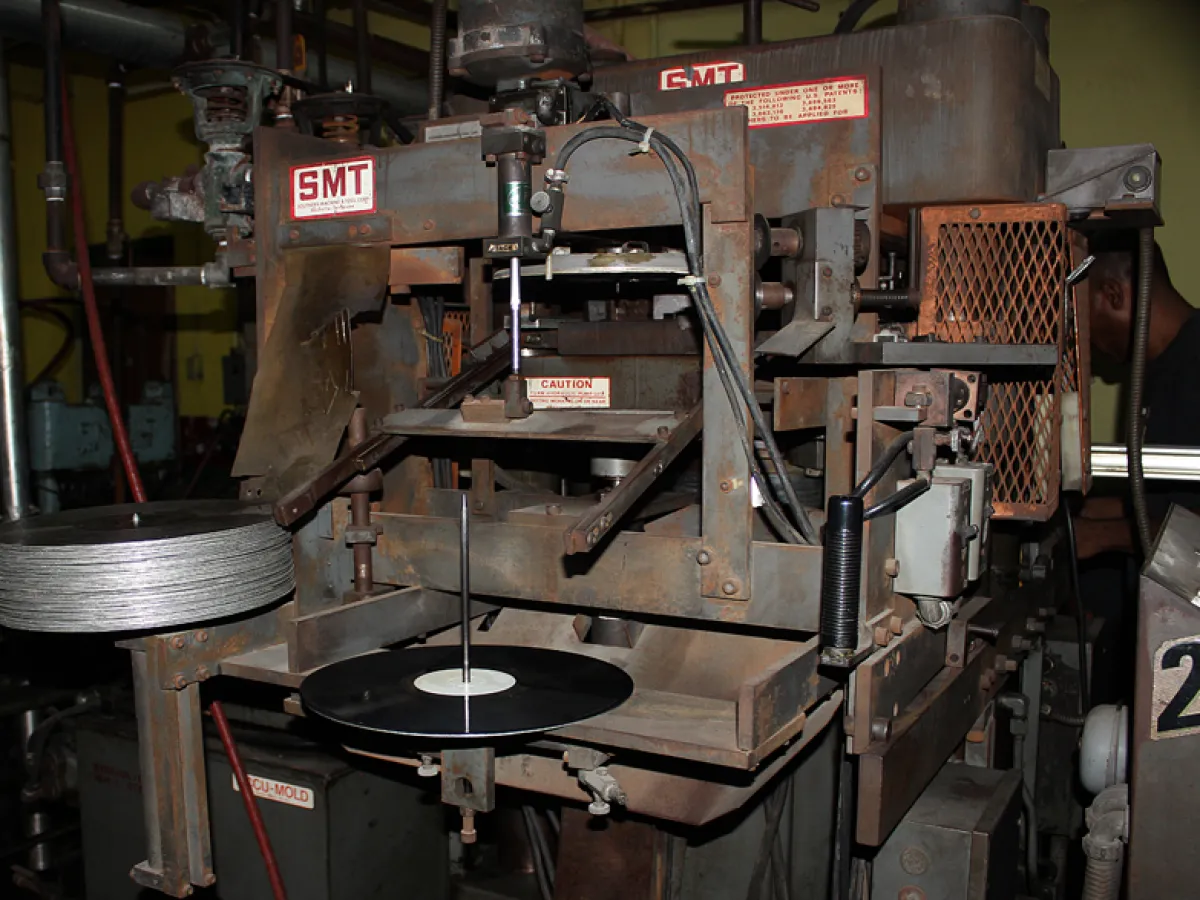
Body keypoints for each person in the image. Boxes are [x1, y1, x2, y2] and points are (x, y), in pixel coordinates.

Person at [1073, 236, 1200, 558]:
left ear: (1113, 294)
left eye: (1080, 318)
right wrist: (1105, 509)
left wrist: (1108, 534)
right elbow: (1176, 500)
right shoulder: (1154, 370)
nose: (1079, 337)